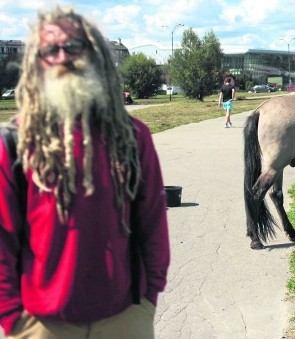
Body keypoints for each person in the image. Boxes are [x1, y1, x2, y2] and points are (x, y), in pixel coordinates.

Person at [0, 6, 170, 338]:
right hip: (41, 323)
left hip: (125, 317)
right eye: (50, 49)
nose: (62, 56)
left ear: (92, 55)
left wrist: (148, 298)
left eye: (73, 47)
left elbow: (152, 221)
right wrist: (11, 315)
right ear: (37, 61)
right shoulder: (15, 143)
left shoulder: (133, 137)